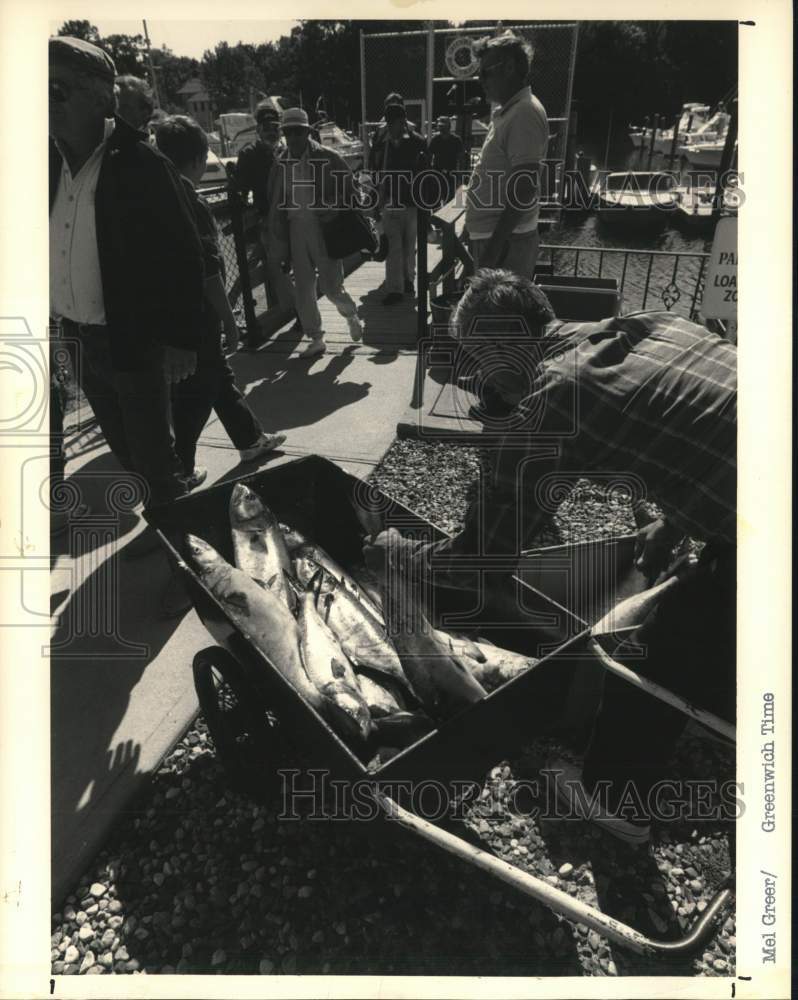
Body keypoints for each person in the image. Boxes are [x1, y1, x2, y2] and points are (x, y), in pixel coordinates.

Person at [365, 269, 736, 845]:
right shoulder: (654, 324)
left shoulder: (557, 394)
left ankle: (618, 803)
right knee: (707, 607)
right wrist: (678, 520)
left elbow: (486, 556)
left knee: (660, 644)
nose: (478, 383)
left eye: (476, 363)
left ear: (497, 347)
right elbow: (709, 433)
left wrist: (400, 553)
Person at [49, 36, 203, 514]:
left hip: (131, 339)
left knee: (154, 457)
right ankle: (165, 525)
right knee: (124, 453)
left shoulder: (140, 163)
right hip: (77, 336)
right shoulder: (44, 163)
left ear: (101, 96)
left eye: (56, 89)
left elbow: (183, 253)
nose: (42, 102)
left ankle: (181, 542)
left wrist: (181, 339)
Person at [155, 115, 287, 487]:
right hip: (196, 313)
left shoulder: (153, 196)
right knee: (198, 389)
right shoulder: (188, 203)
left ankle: (249, 439)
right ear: (198, 160)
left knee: (217, 377)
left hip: (167, 311)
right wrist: (230, 321)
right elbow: (210, 272)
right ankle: (180, 466)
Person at [266, 107, 363, 359]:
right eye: (288, 132)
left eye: (298, 131)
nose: (293, 137)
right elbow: (274, 202)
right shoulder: (280, 163)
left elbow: (355, 193)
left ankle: (350, 314)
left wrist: (334, 207)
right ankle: (316, 337)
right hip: (295, 229)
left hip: (324, 229)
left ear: (308, 132)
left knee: (331, 287)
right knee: (303, 289)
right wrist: (276, 238)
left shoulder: (328, 157)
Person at [465, 32, 549, 278]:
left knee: (501, 316)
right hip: (500, 242)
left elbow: (524, 188)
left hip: (505, 246)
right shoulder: (510, 111)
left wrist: (493, 249)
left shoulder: (524, 113)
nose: (481, 80)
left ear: (510, 67)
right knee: (493, 315)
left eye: (486, 73)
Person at [232, 104, 298, 322]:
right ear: (258, 130)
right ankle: (295, 312)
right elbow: (240, 190)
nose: (272, 131)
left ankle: (233, 301)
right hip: (267, 224)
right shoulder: (249, 154)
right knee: (269, 267)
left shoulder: (286, 153)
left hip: (291, 220)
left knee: (277, 266)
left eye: (275, 126)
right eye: (266, 127)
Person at [377, 102, 427, 306]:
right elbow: (377, 170)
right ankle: (395, 289)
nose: (392, 127)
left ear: (403, 122)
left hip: (412, 202)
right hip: (391, 202)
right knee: (394, 248)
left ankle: (408, 280)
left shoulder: (417, 142)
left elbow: (426, 174)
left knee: (409, 246)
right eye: (389, 123)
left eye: (395, 122)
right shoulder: (383, 143)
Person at [428, 115, 465, 204]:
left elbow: (461, 159)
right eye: (440, 126)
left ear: (449, 126)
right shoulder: (435, 139)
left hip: (451, 174)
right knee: (436, 200)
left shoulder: (456, 140)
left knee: (450, 201)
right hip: (437, 173)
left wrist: (460, 176)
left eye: (443, 125)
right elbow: (429, 156)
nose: (441, 128)